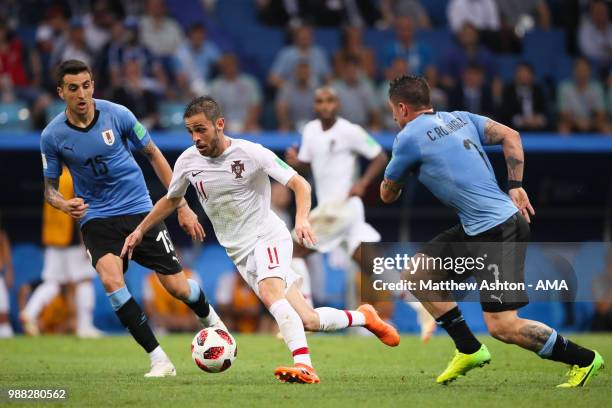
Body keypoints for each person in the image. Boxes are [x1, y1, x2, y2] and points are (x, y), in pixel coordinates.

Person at [121, 95, 400, 384]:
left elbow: (299, 184)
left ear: (220, 124)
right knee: (309, 320)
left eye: (201, 129)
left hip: (268, 236)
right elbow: (171, 200)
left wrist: (302, 218)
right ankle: (365, 317)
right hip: (240, 252)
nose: (195, 137)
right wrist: (141, 230)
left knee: (271, 294)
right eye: (190, 131)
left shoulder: (251, 153)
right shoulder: (187, 162)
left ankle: (304, 365)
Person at [380, 74, 604, 388]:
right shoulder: (461, 118)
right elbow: (511, 135)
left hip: (498, 231)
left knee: (503, 326)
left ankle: (584, 359)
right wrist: (516, 186)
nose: (393, 117)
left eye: (393, 111)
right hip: (478, 226)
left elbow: (387, 195)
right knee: (418, 274)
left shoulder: (407, 137)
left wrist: (397, 173)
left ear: (402, 108)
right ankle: (469, 349)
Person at [39, 60, 225, 377]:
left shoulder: (119, 115)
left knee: (178, 288)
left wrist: (179, 205)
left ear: (93, 86)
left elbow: (153, 153)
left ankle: (210, 318)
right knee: (112, 280)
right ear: (61, 93)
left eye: (86, 85)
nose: (81, 94)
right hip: (96, 217)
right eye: (73, 88)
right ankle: (159, 360)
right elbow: (49, 190)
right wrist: (63, 204)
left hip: (140, 209)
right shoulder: (52, 136)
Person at [285, 87, 435, 340]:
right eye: (320, 101)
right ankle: (422, 306)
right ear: (315, 106)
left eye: (330, 100)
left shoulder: (350, 131)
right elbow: (308, 163)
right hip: (331, 210)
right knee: (374, 265)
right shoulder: (310, 130)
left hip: (343, 207)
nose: (325, 105)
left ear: (338, 104)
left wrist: (363, 183)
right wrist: (295, 163)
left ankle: (303, 316)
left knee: (292, 249)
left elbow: (379, 156)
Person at [20, 166, 102, 338]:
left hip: (53, 239)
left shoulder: (54, 177)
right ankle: (84, 326)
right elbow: (80, 212)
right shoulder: (75, 177)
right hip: (71, 240)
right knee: (84, 281)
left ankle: (29, 313)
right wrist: (87, 242)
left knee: (52, 282)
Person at [0, 212, 14, 338]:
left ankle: (6, 335)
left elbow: (6, 252)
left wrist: (9, 271)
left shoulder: (2, 234)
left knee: (3, 315)